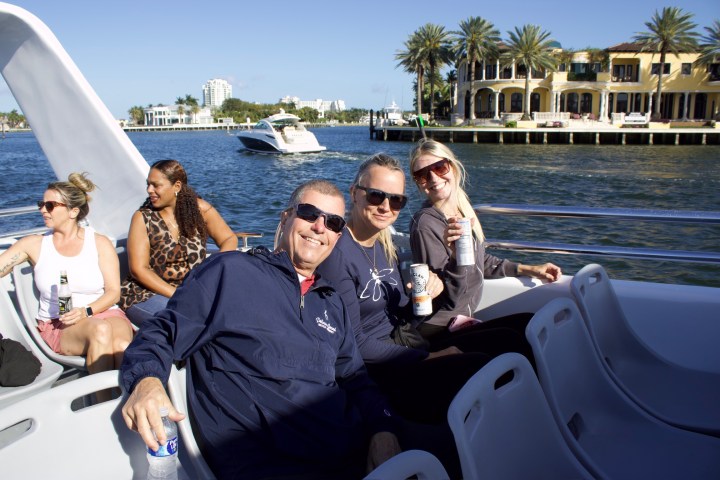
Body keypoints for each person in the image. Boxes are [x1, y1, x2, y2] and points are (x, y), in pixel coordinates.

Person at [120, 179, 402, 480]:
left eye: (333, 222)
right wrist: (146, 380)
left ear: (337, 236)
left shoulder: (330, 301)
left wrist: (382, 428)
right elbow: (162, 332)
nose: (320, 227)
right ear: (286, 217)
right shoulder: (230, 273)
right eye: (309, 213)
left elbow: (355, 378)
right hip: (275, 462)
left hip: (350, 449)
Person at [317, 154, 512, 425]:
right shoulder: (338, 255)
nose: (386, 206)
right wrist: (428, 357)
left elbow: (405, 316)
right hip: (381, 371)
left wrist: (430, 292)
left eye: (396, 200)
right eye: (376, 196)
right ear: (355, 193)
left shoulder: (385, 246)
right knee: (480, 365)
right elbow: (354, 344)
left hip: (406, 343)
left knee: (508, 339)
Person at [409, 138, 562, 340]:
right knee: (515, 337)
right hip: (438, 328)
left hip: (461, 319)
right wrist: (457, 257)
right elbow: (445, 297)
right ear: (418, 183)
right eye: (422, 175)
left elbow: (481, 261)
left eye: (439, 167)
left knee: (530, 323)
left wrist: (528, 268)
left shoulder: (461, 209)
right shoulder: (426, 225)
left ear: (453, 168)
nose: (433, 178)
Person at [0, 173, 134, 384]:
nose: (43, 209)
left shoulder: (99, 243)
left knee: (123, 347)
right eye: (41, 204)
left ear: (73, 211)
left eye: (50, 205)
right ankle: (100, 404)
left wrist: (86, 311)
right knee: (100, 331)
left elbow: (113, 292)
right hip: (60, 322)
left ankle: (123, 405)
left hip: (102, 311)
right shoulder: (33, 244)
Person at [119, 159, 237, 326]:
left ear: (177, 186)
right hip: (146, 294)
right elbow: (139, 270)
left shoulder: (199, 210)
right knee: (186, 320)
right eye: (148, 185)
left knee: (232, 312)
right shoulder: (142, 218)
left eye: (155, 185)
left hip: (193, 290)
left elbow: (229, 239)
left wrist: (215, 269)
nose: (149, 190)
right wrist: (178, 294)